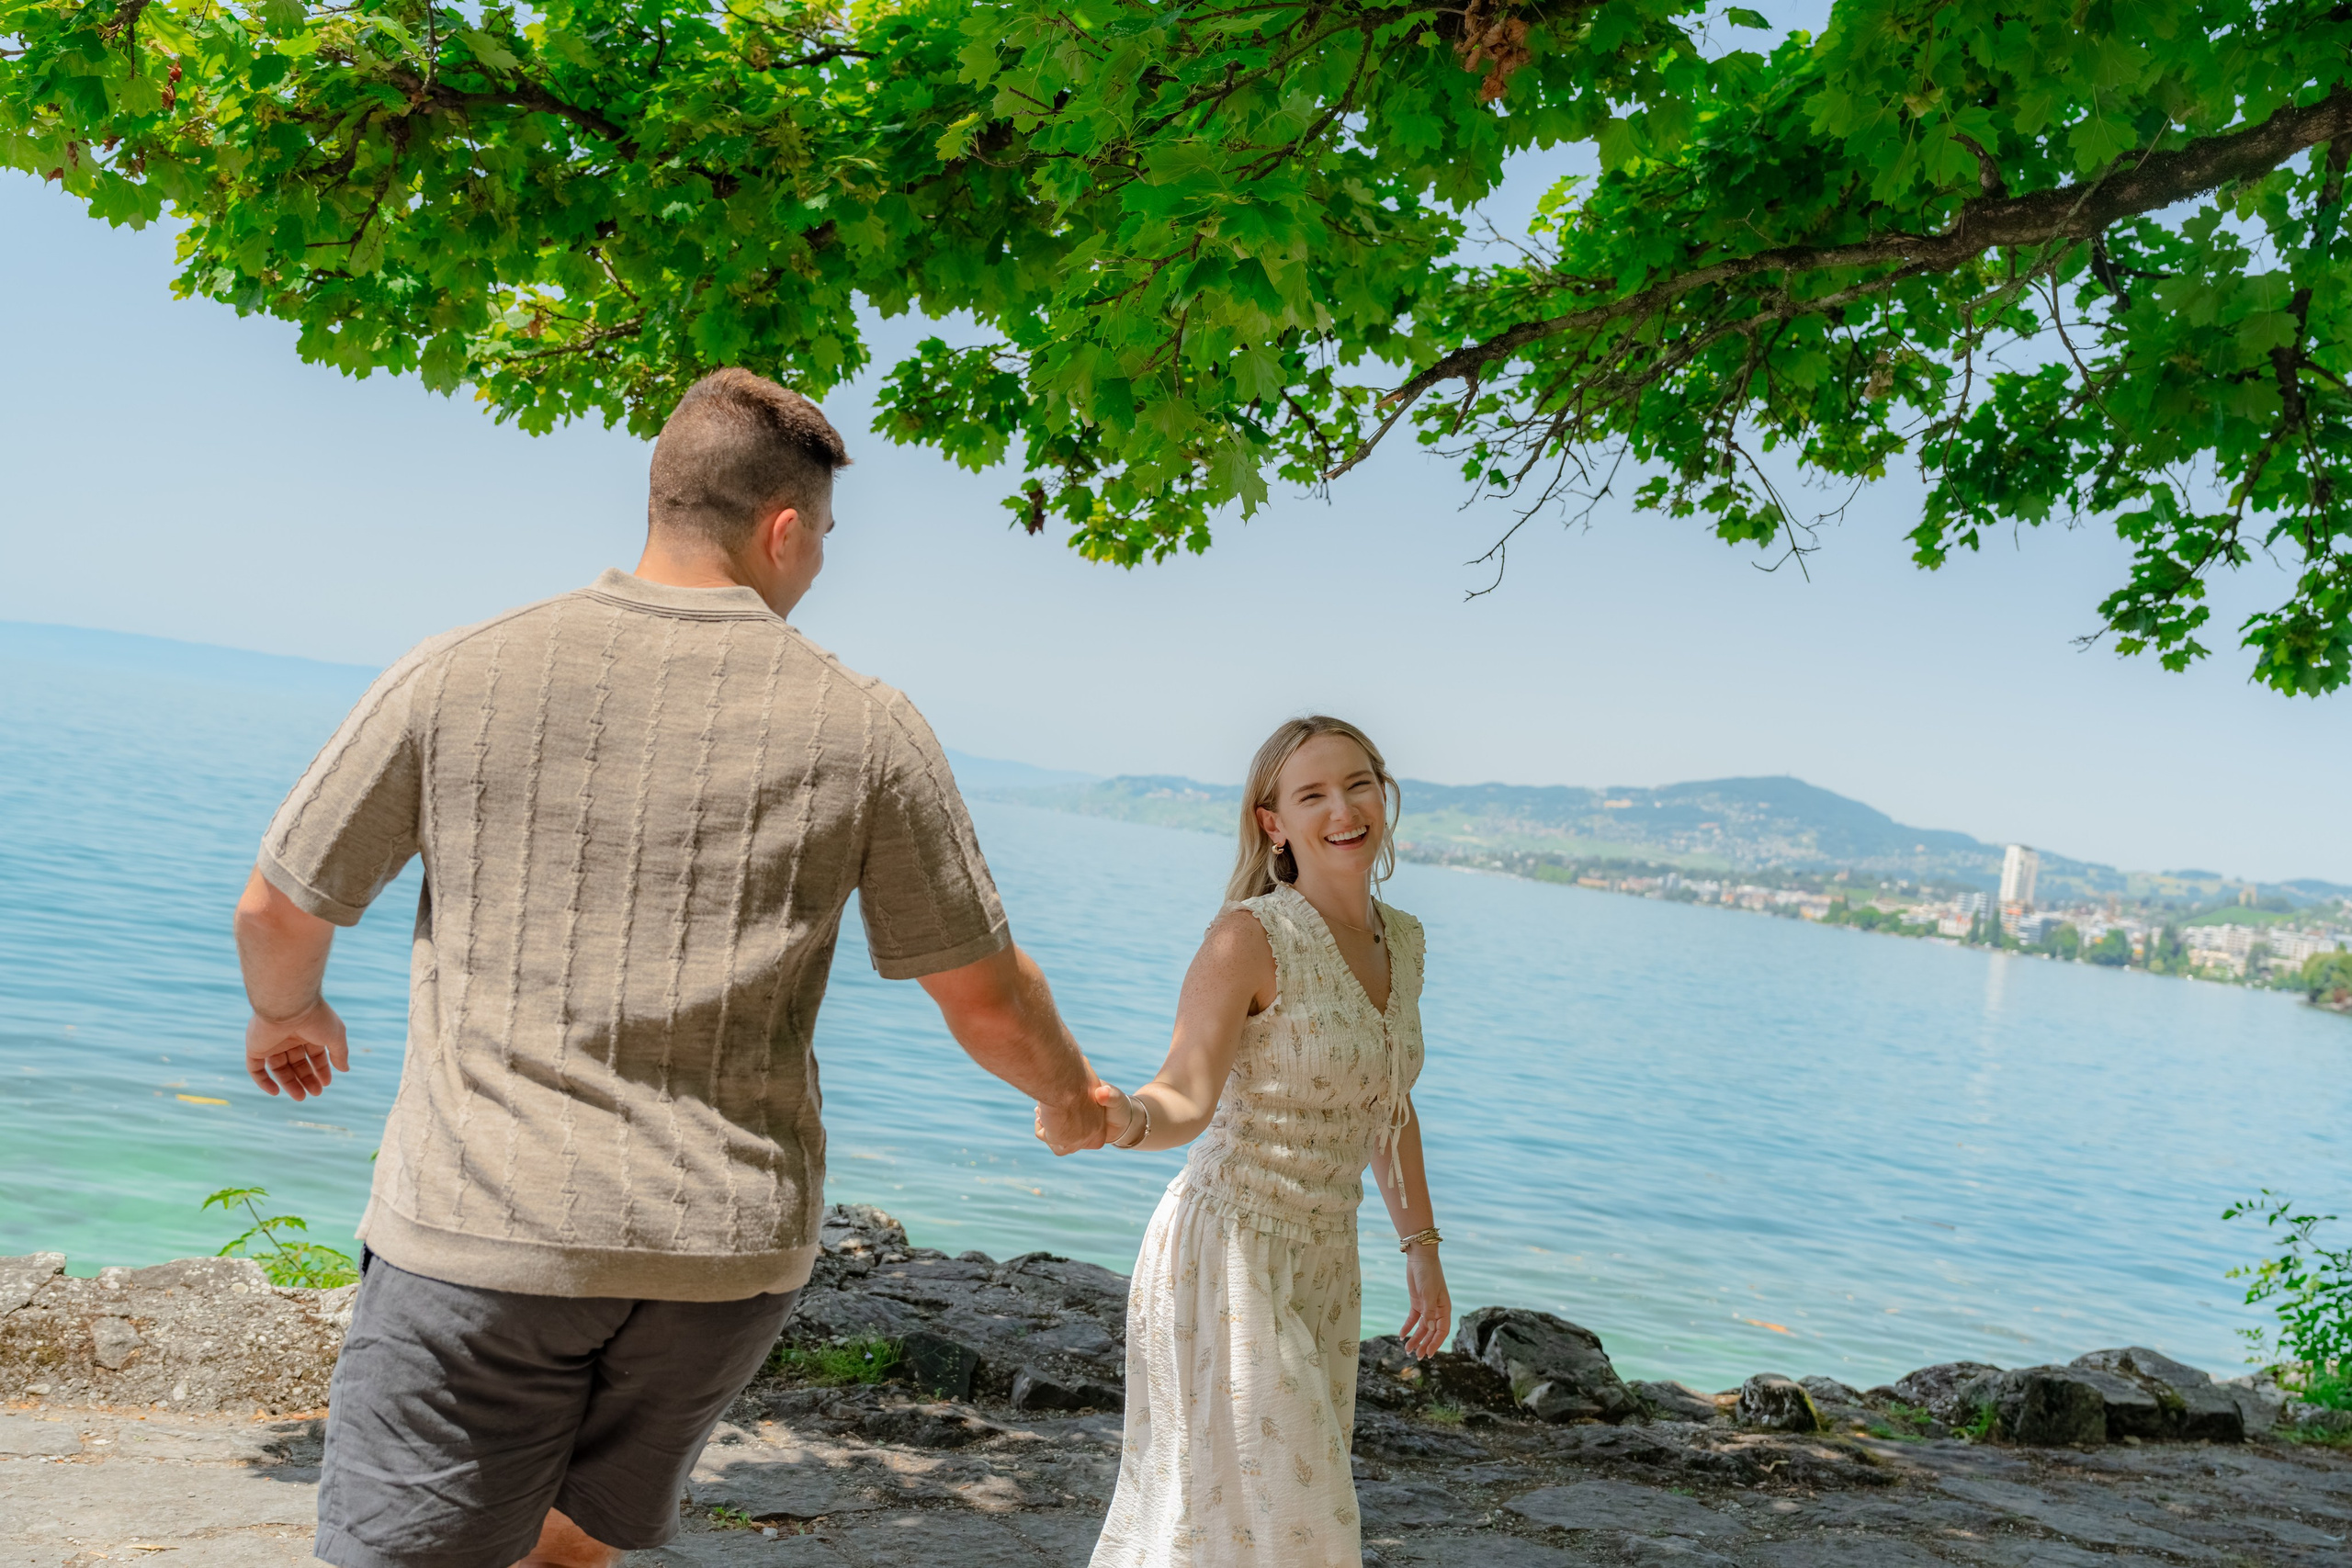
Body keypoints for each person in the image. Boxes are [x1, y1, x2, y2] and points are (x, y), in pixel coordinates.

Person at [231, 367, 1110, 1568]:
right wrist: (1068, 1093)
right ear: (783, 527)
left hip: (485, 1235)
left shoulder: (464, 667)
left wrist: (291, 1009)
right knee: (574, 1542)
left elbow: (277, 904)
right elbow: (987, 990)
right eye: (825, 542)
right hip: (722, 1260)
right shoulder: (864, 721)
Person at [1061, 716, 1450, 1568]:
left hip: (1324, 1263)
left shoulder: (1407, 941)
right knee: (1295, 1528)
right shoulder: (1249, 937)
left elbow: (1390, 1101)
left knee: (1244, 1533)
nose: (1343, 808)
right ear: (1273, 821)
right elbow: (1187, 1093)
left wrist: (1420, 1247)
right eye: (1312, 793)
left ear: (1383, 795)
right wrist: (1118, 1117)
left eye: (1357, 784)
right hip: (1227, 1253)